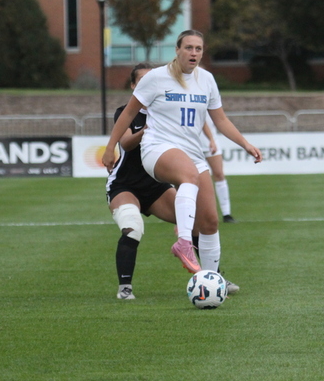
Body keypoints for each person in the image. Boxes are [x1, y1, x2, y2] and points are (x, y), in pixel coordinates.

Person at [102, 30, 262, 279]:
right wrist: (110, 146)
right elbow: (127, 113)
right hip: (157, 148)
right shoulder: (156, 77)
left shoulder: (207, 79)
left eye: (198, 49)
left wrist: (245, 143)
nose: (194, 53)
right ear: (177, 50)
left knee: (209, 221)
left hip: (192, 153)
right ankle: (183, 243)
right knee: (189, 176)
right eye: (188, 47)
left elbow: (220, 119)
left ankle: (210, 281)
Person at [106, 63, 240, 300]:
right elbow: (125, 144)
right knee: (133, 227)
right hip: (125, 185)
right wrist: (145, 132)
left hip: (155, 187)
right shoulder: (126, 111)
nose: (149, 84)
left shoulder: (169, 109)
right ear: (134, 86)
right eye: (142, 81)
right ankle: (125, 288)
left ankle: (213, 278)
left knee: (197, 221)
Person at [200, 117, 236, 223]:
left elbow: (220, 118)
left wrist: (211, 139)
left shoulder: (211, 100)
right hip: (191, 144)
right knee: (191, 179)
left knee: (219, 174)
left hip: (211, 143)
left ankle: (226, 213)